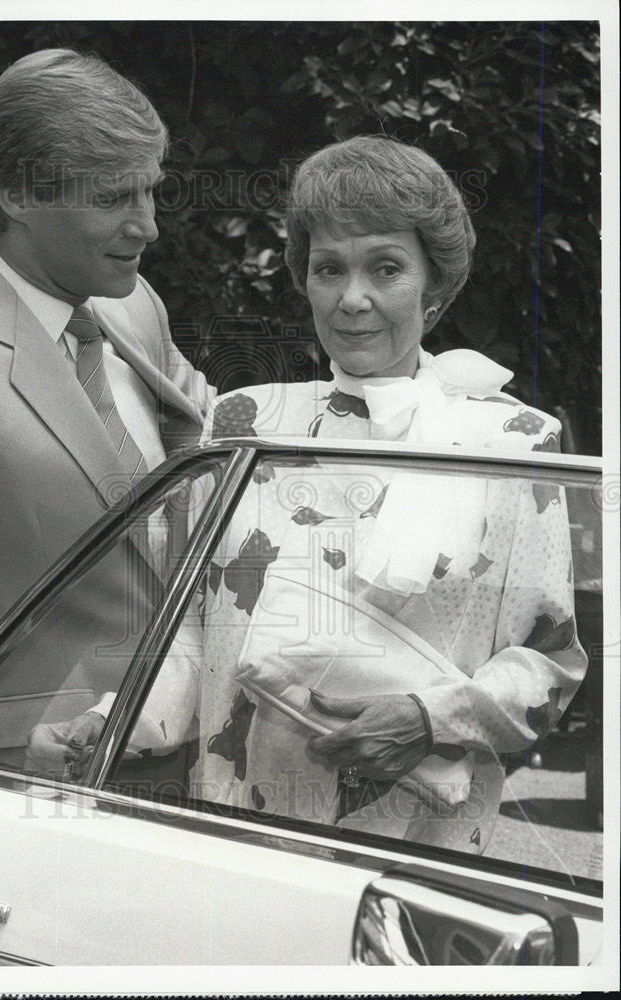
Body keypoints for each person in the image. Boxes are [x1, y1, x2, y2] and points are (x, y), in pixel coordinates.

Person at [0, 48, 213, 919]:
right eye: (113, 197)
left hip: (206, 790)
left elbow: (225, 445)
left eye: (150, 190)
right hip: (31, 810)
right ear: (19, 195)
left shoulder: (134, 307)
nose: (150, 226)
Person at [190, 135, 586, 851]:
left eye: (386, 268)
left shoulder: (512, 442)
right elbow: (188, 632)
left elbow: (551, 666)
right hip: (231, 837)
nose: (353, 298)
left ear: (434, 286)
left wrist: (430, 721)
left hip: (419, 846)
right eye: (328, 269)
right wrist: (105, 716)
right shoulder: (241, 423)